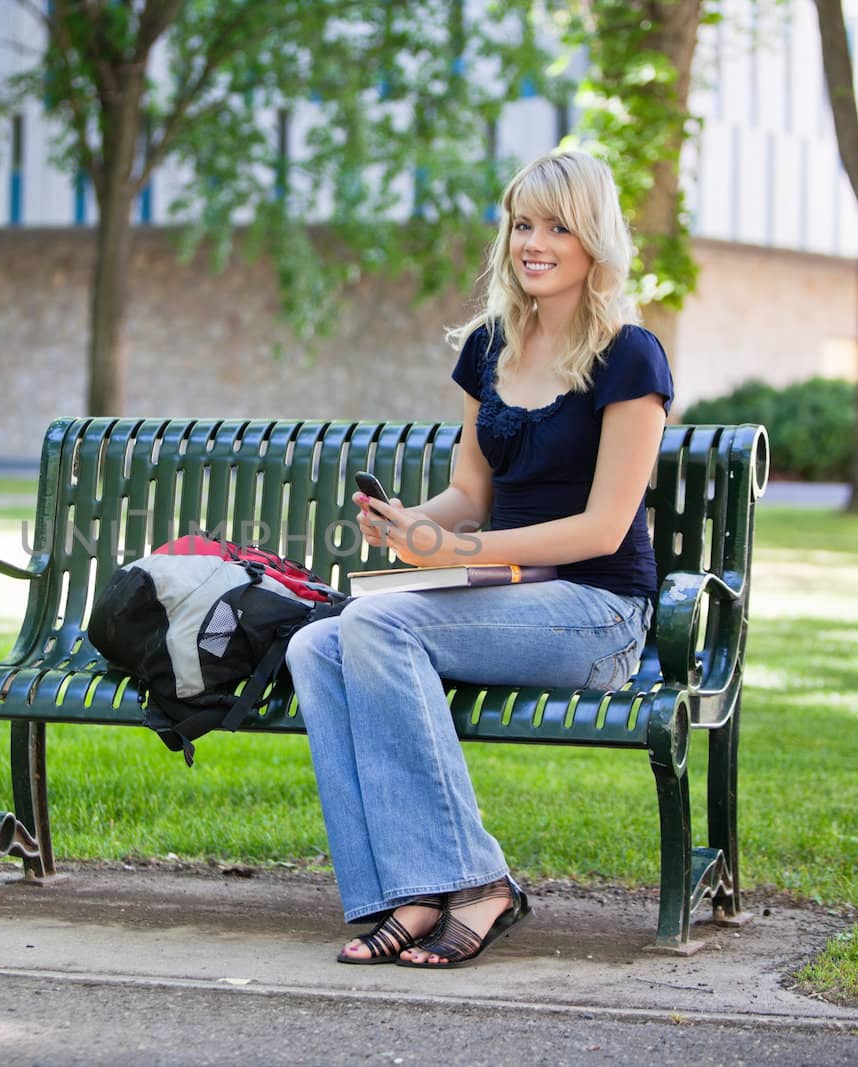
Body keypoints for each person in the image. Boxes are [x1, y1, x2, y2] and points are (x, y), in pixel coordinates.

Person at [284, 148, 673, 969]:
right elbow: (470, 491)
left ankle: (476, 880)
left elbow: (605, 528)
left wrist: (458, 551)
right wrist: (408, 525)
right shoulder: (489, 347)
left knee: (380, 626)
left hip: (595, 614)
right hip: (502, 594)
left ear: (593, 239)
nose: (534, 241)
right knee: (314, 643)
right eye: (523, 223)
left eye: (557, 226)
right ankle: (409, 891)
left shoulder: (630, 357)